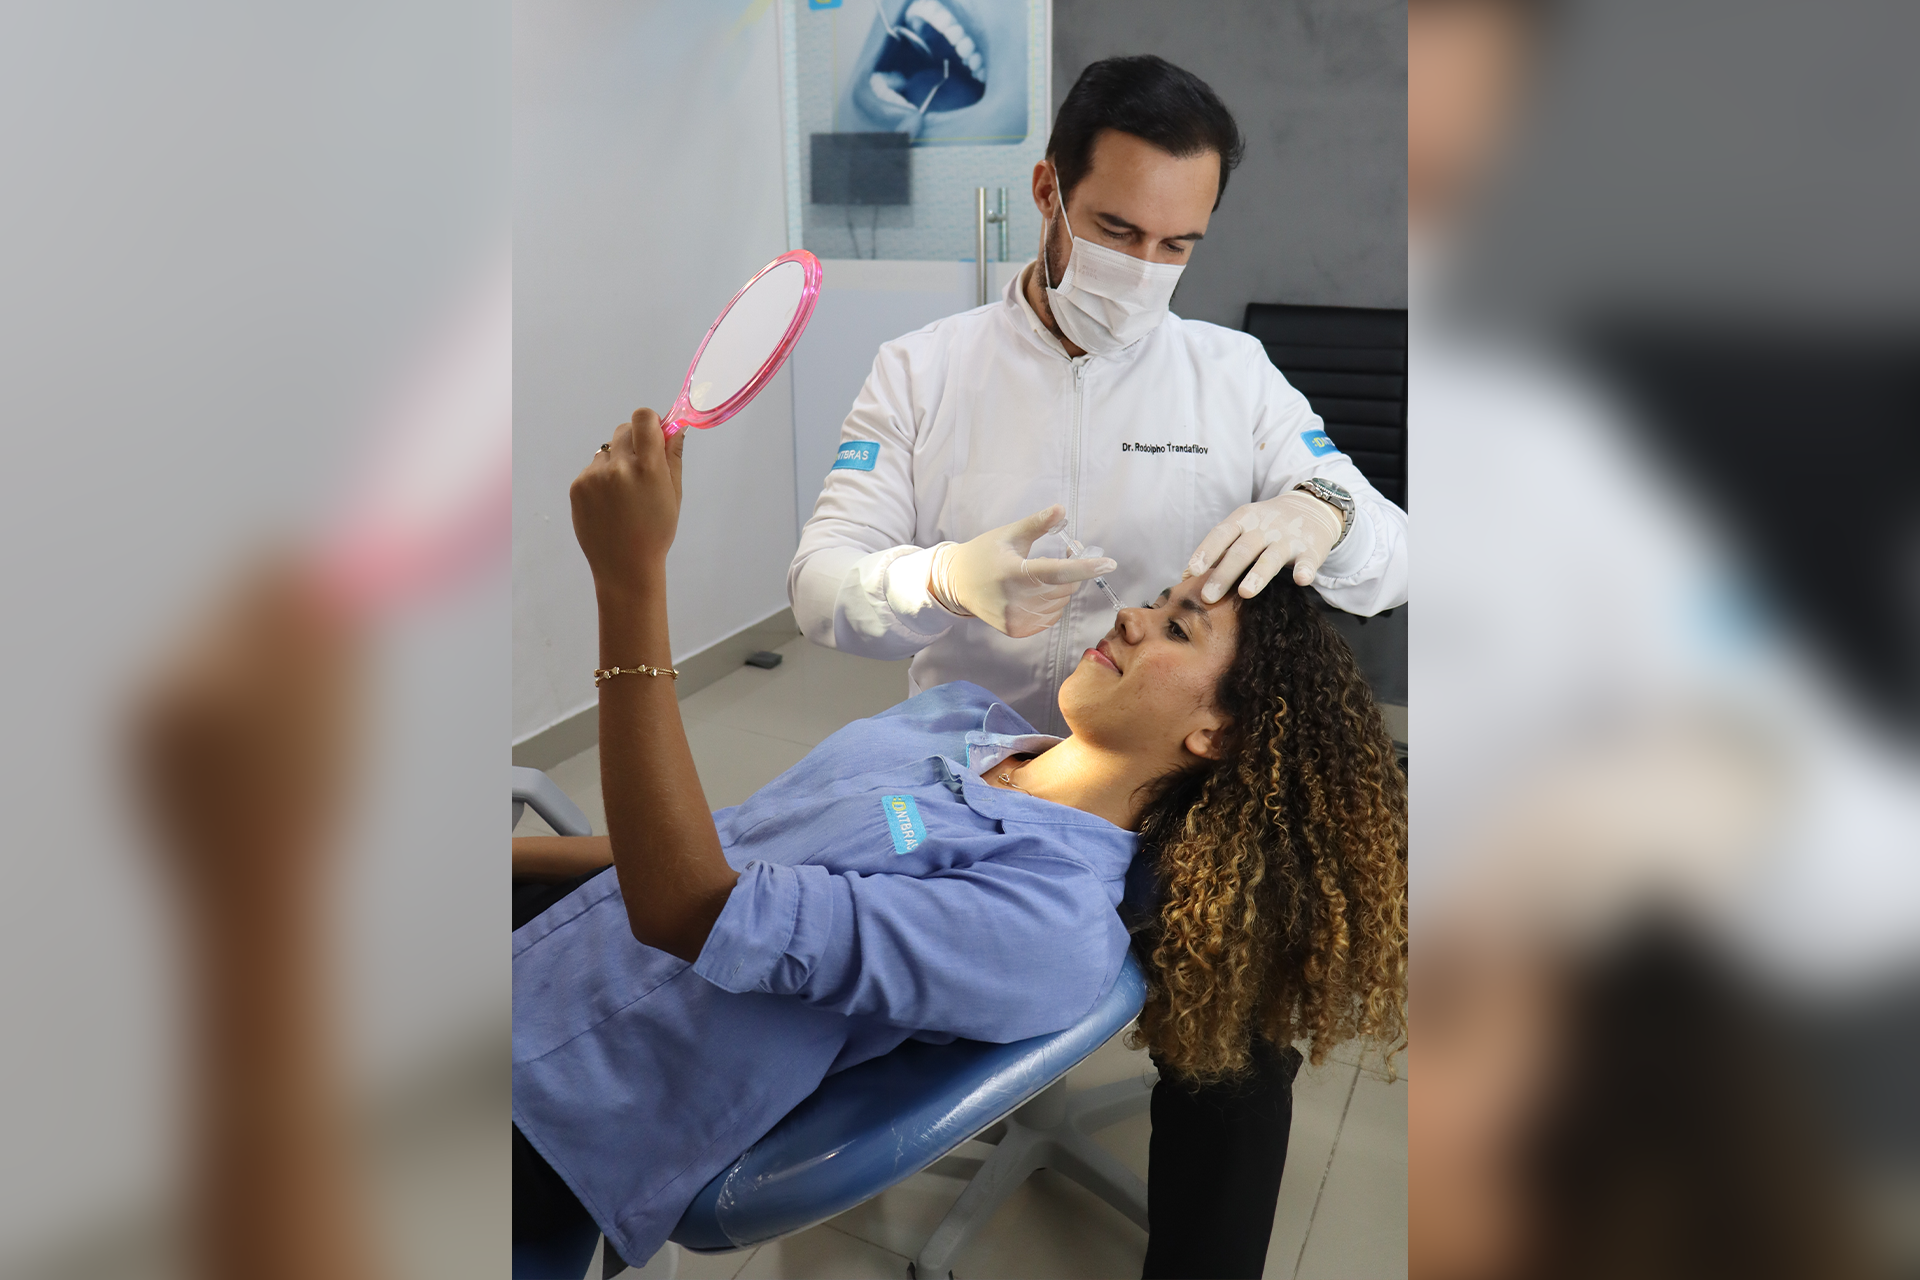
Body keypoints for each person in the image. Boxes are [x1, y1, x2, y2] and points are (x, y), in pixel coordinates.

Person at [510, 407, 1406, 1274]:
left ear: (1219, 734)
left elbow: (691, 905)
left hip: (552, 1117)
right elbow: (734, 843)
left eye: (1177, 627)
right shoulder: (953, 721)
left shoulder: (1049, 918)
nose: (1130, 617)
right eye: (1156, 600)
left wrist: (632, 584)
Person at [787, 54, 1410, 1276]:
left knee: (1243, 1005)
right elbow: (820, 585)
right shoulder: (924, 370)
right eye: (1119, 227)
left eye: (1179, 244)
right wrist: (935, 579)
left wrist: (1327, 513)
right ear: (1046, 189)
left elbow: (1398, 553)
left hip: (1166, 794)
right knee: (820, 908)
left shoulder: (1228, 379)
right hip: (980, 773)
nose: (1145, 269)